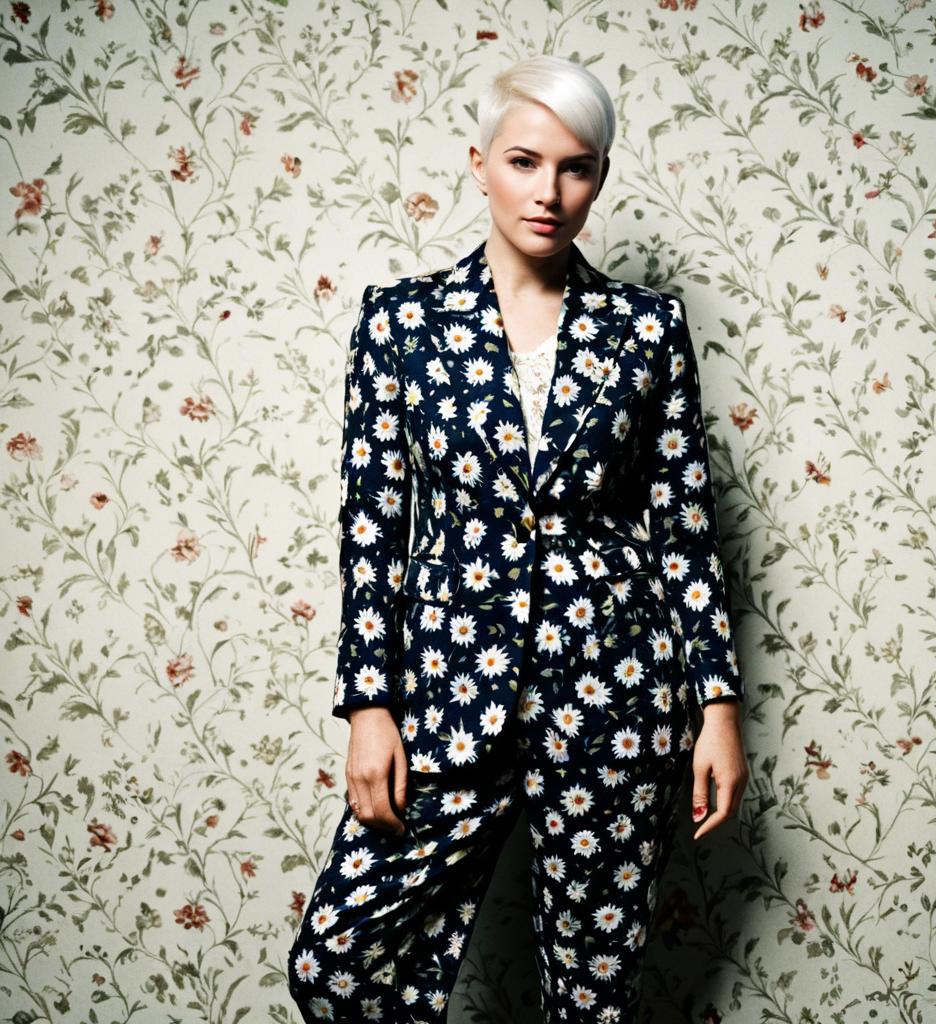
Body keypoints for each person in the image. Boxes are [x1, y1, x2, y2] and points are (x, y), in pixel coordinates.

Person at [287, 53, 749, 1024]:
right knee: (337, 965)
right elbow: (372, 531)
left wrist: (715, 705)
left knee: (592, 1000)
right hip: (447, 700)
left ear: (599, 179)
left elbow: (682, 526)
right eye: (525, 160)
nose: (549, 191)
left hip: (615, 702)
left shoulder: (646, 329)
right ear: (479, 162)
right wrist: (369, 705)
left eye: (575, 167)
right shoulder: (401, 324)